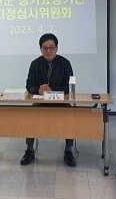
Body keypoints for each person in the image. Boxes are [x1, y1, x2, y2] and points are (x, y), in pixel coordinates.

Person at [23, 33, 76, 166]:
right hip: (41, 102)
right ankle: (29, 150)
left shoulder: (65, 63)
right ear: (40, 49)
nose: (48, 51)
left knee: (70, 115)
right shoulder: (35, 64)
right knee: (30, 115)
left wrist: (52, 89)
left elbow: (69, 87)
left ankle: (68, 150)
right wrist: (38, 90)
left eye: (51, 48)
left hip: (61, 102)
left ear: (56, 48)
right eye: (45, 48)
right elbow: (29, 85)